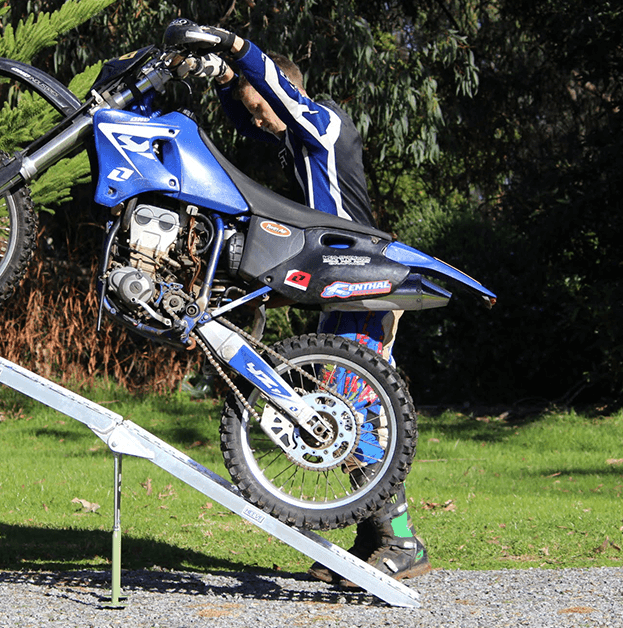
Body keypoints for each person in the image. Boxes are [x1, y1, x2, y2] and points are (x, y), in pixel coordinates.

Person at [166, 19, 432, 583]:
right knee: (340, 405)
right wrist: (219, 81)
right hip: (339, 281)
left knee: (356, 407)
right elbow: (246, 116)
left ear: (286, 91)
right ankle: (371, 540)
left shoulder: (324, 124)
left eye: (264, 110)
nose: (262, 122)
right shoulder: (297, 137)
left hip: (363, 288)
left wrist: (234, 47)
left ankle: (403, 540)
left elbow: (275, 95)